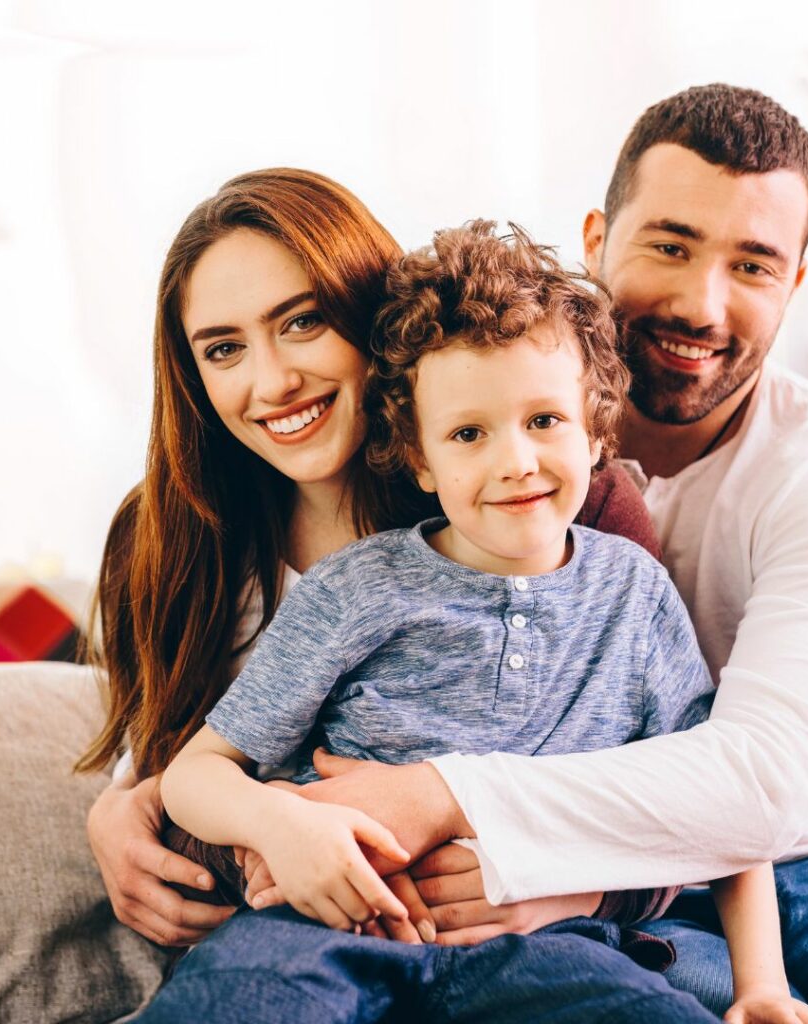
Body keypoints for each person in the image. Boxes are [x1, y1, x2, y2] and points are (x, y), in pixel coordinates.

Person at [248, 86, 808, 1024]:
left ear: (794, 284)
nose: (701, 303)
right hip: (657, 908)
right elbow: (273, 666)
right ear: (596, 238)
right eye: (670, 245)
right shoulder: (475, 438)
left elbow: (763, 784)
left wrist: (451, 800)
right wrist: (146, 794)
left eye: (753, 265)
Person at [140, 220, 808, 1024]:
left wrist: (763, 990)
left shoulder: (635, 596)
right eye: (469, 434)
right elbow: (196, 773)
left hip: (548, 942)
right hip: (320, 931)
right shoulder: (354, 589)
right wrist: (282, 828)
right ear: (420, 459)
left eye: (544, 421)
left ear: (598, 426)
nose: (516, 462)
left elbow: (718, 810)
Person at [76, 171, 664, 959]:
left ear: (372, 319)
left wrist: (573, 885)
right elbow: (178, 767)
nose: (273, 381)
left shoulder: (559, 509)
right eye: (224, 349)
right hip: (302, 945)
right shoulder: (163, 538)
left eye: (304, 322)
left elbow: (681, 776)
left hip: (533, 942)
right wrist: (123, 807)